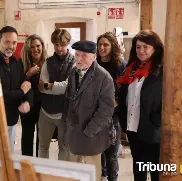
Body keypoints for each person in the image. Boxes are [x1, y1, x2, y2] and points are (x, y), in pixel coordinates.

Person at [63, 40, 115, 181]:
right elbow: (69, 99)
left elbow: (106, 110)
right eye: (77, 55)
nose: (79, 59)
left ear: (94, 56)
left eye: (84, 56)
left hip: (91, 136)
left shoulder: (104, 78)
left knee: (91, 176)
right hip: (73, 134)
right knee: (71, 175)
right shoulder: (73, 72)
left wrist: (89, 131)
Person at [117, 30, 163, 181]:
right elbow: (126, 96)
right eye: (138, 47)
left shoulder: (161, 70)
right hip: (133, 128)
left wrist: (156, 121)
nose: (141, 51)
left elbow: (168, 100)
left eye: (146, 47)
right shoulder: (131, 68)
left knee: (155, 170)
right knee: (139, 168)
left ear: (155, 48)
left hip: (152, 130)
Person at [0, 26, 33, 152]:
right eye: (7, 42)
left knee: (9, 159)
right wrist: (20, 92)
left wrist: (27, 101)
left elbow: (26, 84)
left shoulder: (15, 62)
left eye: (14, 42)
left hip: (11, 121)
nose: (11, 46)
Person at [38, 28, 74, 160]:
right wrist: (54, 87)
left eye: (62, 44)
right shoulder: (48, 62)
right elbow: (42, 87)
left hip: (65, 112)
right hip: (46, 111)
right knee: (43, 147)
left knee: (64, 147)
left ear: (68, 43)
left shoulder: (75, 63)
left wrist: (50, 85)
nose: (59, 48)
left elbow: (69, 87)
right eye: (56, 44)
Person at [97, 32, 127, 181]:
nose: (102, 48)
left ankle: (112, 178)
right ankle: (102, 176)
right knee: (99, 150)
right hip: (96, 114)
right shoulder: (94, 63)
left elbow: (125, 90)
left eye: (106, 45)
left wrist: (113, 104)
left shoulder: (120, 65)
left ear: (112, 46)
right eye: (100, 45)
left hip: (113, 115)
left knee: (112, 153)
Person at [20, 34, 47, 157]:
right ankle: (27, 164)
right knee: (27, 136)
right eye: (32, 47)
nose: (36, 49)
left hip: (43, 106)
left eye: (38, 46)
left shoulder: (48, 63)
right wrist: (28, 75)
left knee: (41, 138)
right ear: (28, 50)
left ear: (42, 46)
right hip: (27, 105)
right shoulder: (21, 64)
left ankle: (39, 164)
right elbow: (16, 86)